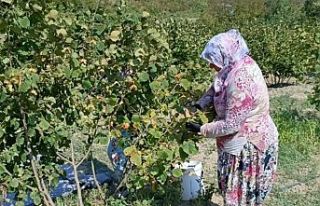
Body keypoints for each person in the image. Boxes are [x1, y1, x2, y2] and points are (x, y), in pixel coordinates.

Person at [186, 29, 279, 206]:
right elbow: (217, 85)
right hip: (242, 142)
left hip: (248, 146)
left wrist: (201, 129)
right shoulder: (236, 63)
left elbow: (232, 124)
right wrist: (202, 103)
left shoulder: (241, 78)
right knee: (237, 195)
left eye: (212, 61)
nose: (210, 66)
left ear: (224, 54)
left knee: (242, 197)